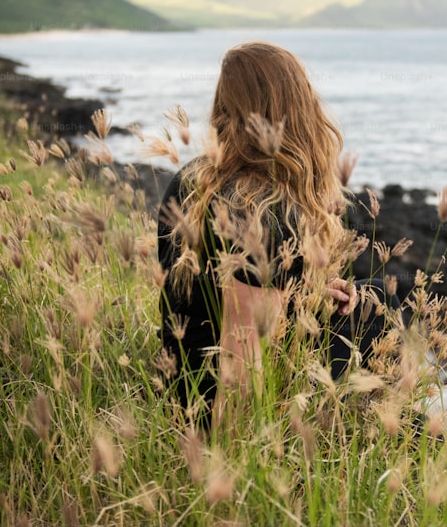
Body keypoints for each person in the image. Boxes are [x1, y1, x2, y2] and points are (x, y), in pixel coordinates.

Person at [157, 41, 396, 429]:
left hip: (179, 377)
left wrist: (307, 292)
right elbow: (240, 359)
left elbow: (210, 294)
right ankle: (380, 430)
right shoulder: (262, 210)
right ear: (296, 109)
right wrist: (229, 471)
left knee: (371, 296)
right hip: (213, 403)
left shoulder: (193, 176)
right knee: (378, 307)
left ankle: (378, 422)